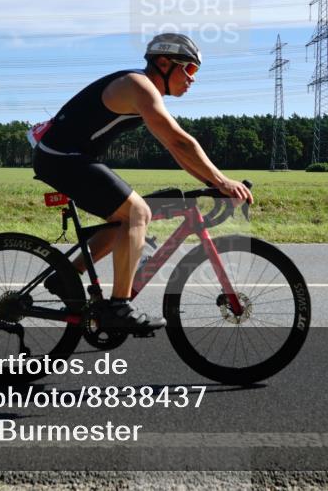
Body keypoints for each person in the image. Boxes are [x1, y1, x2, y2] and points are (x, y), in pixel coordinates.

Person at [30, 33, 254, 333]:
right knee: (138, 213)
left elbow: (175, 149)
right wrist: (223, 181)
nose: (193, 78)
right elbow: (180, 141)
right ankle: (118, 308)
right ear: (163, 63)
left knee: (126, 220)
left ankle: (66, 277)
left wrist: (212, 183)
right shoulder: (139, 86)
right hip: (61, 157)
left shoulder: (144, 89)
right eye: (189, 68)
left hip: (66, 156)